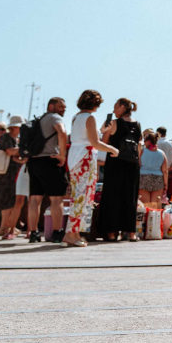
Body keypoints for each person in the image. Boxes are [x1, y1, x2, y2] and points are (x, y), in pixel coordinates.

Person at [62, 90, 119, 248]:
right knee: (82, 197)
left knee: (78, 195)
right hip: (85, 157)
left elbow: (85, 137)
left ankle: (73, 233)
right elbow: (95, 143)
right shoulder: (90, 117)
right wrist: (112, 149)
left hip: (76, 157)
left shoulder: (76, 117)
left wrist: (101, 131)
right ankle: (71, 234)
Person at [97, 98, 142, 241]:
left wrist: (104, 130)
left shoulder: (114, 123)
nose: (113, 110)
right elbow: (139, 146)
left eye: (115, 106)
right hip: (132, 164)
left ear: (122, 107)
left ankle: (111, 232)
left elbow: (103, 143)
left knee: (113, 196)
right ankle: (131, 232)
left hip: (115, 162)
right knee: (130, 197)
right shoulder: (137, 124)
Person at [27, 98, 69, 244]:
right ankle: (57, 232)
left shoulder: (38, 120)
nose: (64, 109)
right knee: (56, 198)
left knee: (35, 199)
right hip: (50, 160)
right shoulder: (55, 117)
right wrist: (62, 154)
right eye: (61, 106)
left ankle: (33, 233)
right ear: (51, 106)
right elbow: (62, 132)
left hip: (33, 161)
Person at [0, 116, 25, 239]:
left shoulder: (16, 139)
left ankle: (8, 225)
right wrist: (24, 149)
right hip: (6, 173)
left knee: (13, 200)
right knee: (6, 200)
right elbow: (9, 152)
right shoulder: (6, 137)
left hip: (14, 172)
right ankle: (4, 226)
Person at [139, 131, 168, 208]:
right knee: (155, 206)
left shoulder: (141, 151)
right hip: (158, 180)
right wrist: (165, 184)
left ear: (148, 141)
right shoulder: (162, 153)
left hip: (143, 178)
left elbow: (138, 165)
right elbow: (165, 171)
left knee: (145, 205)